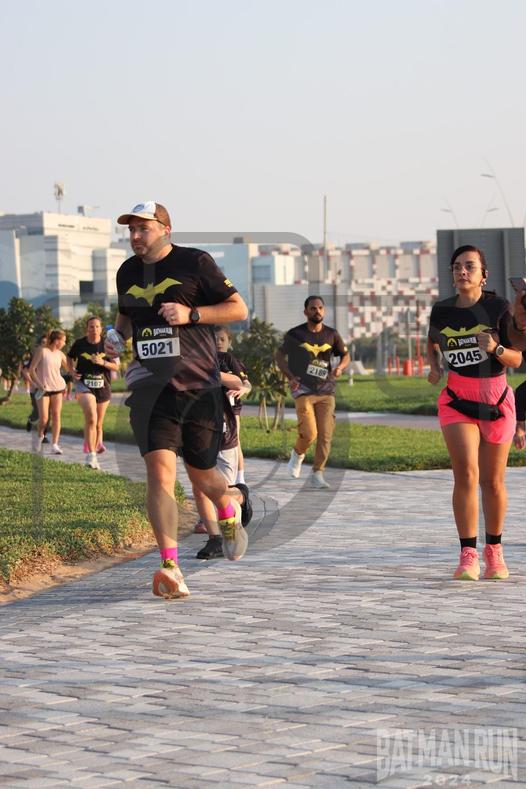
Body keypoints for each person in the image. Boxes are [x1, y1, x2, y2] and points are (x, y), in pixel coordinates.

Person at [106, 200, 249, 600]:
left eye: (143, 228)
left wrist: (192, 315)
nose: (135, 236)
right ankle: (170, 567)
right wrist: (117, 337)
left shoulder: (195, 262)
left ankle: (229, 505)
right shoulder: (127, 272)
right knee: (160, 476)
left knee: (202, 475)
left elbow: (238, 309)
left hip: (198, 388)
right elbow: (126, 316)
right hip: (150, 391)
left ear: (165, 230)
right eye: (131, 230)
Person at [427, 245, 523, 581]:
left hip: (496, 400)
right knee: (466, 474)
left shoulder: (499, 308)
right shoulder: (441, 310)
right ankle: (468, 554)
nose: (462, 271)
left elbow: (517, 358)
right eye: (457, 267)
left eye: (470, 266)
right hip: (457, 399)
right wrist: (434, 366)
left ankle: (494, 550)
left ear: (484, 274)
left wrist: (496, 348)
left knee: (492, 482)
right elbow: (432, 342)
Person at [275, 295, 350, 489]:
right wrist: (290, 377)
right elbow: (279, 355)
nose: (317, 311)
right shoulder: (296, 334)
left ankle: (318, 473)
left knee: (325, 435)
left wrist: (340, 367)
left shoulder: (332, 334)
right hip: (303, 389)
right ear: (306, 311)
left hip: (326, 390)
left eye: (320, 308)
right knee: (309, 433)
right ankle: (298, 453)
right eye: (313, 308)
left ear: (324, 311)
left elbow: (345, 355)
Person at [194, 329, 253, 559]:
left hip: (224, 429)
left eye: (221, 339)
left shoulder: (225, 360)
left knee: (219, 490)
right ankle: (215, 539)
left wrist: (242, 387)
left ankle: (241, 495)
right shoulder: (187, 358)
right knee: (199, 487)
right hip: (197, 431)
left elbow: (241, 382)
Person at [68, 316, 120, 470]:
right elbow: (69, 357)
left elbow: (116, 366)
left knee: (98, 424)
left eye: (97, 326)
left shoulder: (108, 344)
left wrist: (102, 362)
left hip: (103, 387)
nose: (94, 329)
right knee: (91, 417)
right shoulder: (79, 344)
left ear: (101, 328)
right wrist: (71, 371)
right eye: (91, 326)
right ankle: (91, 455)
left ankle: (94, 452)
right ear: (87, 328)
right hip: (84, 385)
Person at [28, 329, 68, 454]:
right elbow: (32, 370)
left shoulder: (60, 354)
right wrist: (38, 384)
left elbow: (70, 369)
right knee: (44, 418)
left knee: (56, 415)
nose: (64, 343)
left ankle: (55, 445)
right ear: (57, 341)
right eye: (63, 341)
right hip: (43, 389)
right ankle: (40, 437)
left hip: (58, 388)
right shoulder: (42, 351)